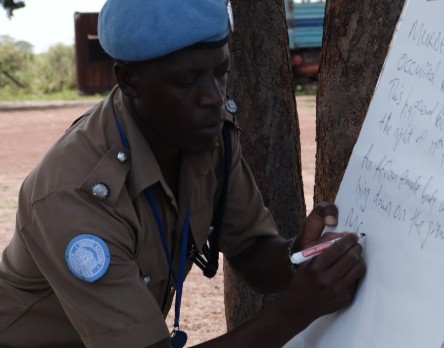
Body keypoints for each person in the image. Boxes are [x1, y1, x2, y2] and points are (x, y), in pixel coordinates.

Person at [0, 0, 366, 347]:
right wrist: (297, 310)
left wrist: (297, 253)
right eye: (188, 80)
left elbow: (251, 253)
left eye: (219, 72)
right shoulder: (76, 194)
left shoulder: (203, 133)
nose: (213, 97)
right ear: (129, 80)